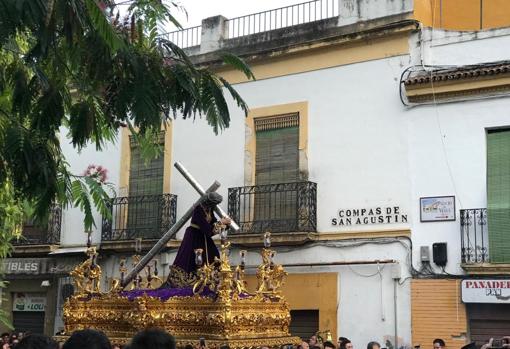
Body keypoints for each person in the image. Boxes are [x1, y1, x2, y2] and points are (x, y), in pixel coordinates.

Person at [165, 192, 231, 288]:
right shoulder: (198, 210)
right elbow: (208, 229)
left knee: (214, 255)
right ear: (210, 202)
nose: (215, 206)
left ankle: (212, 280)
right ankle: (192, 282)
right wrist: (221, 222)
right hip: (194, 236)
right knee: (191, 259)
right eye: (214, 203)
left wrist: (226, 224)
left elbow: (212, 228)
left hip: (203, 236)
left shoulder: (209, 210)